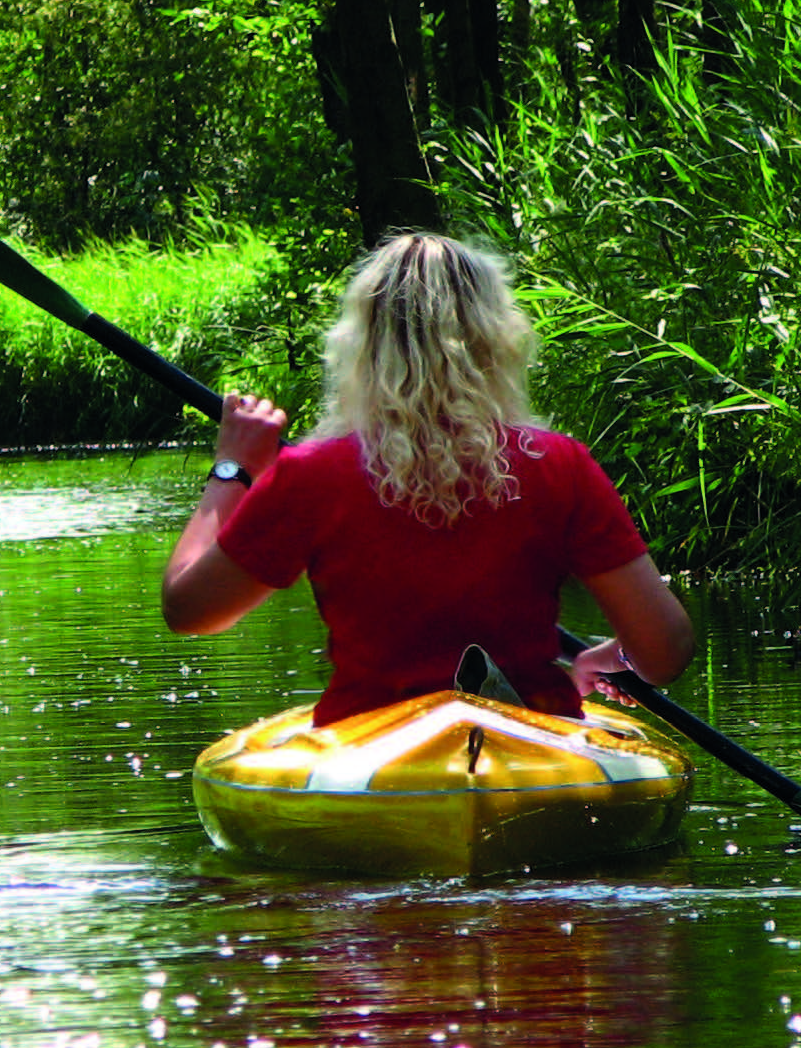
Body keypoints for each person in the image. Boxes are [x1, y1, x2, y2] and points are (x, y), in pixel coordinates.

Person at [161, 231, 694, 725]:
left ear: (362, 346)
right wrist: (618, 653)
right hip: (533, 734)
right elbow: (665, 653)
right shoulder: (561, 464)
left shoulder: (310, 474)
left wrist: (233, 468)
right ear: (497, 340)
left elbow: (189, 610)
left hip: (370, 741)